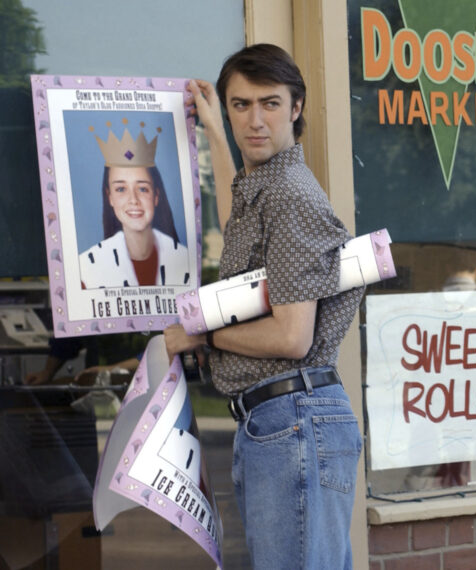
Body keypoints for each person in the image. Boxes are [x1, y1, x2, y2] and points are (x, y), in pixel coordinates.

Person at [164, 44, 364, 569]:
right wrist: (210, 128)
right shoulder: (264, 187)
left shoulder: (289, 196)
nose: (255, 120)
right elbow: (238, 225)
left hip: (293, 418)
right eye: (240, 105)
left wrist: (200, 333)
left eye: (270, 104)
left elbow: (292, 337)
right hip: (282, 419)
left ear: (296, 108)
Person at [79, 125, 190, 288]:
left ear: (156, 196)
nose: (133, 200)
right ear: (110, 198)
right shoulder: (87, 270)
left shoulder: (186, 261)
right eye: (121, 189)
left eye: (143, 188)